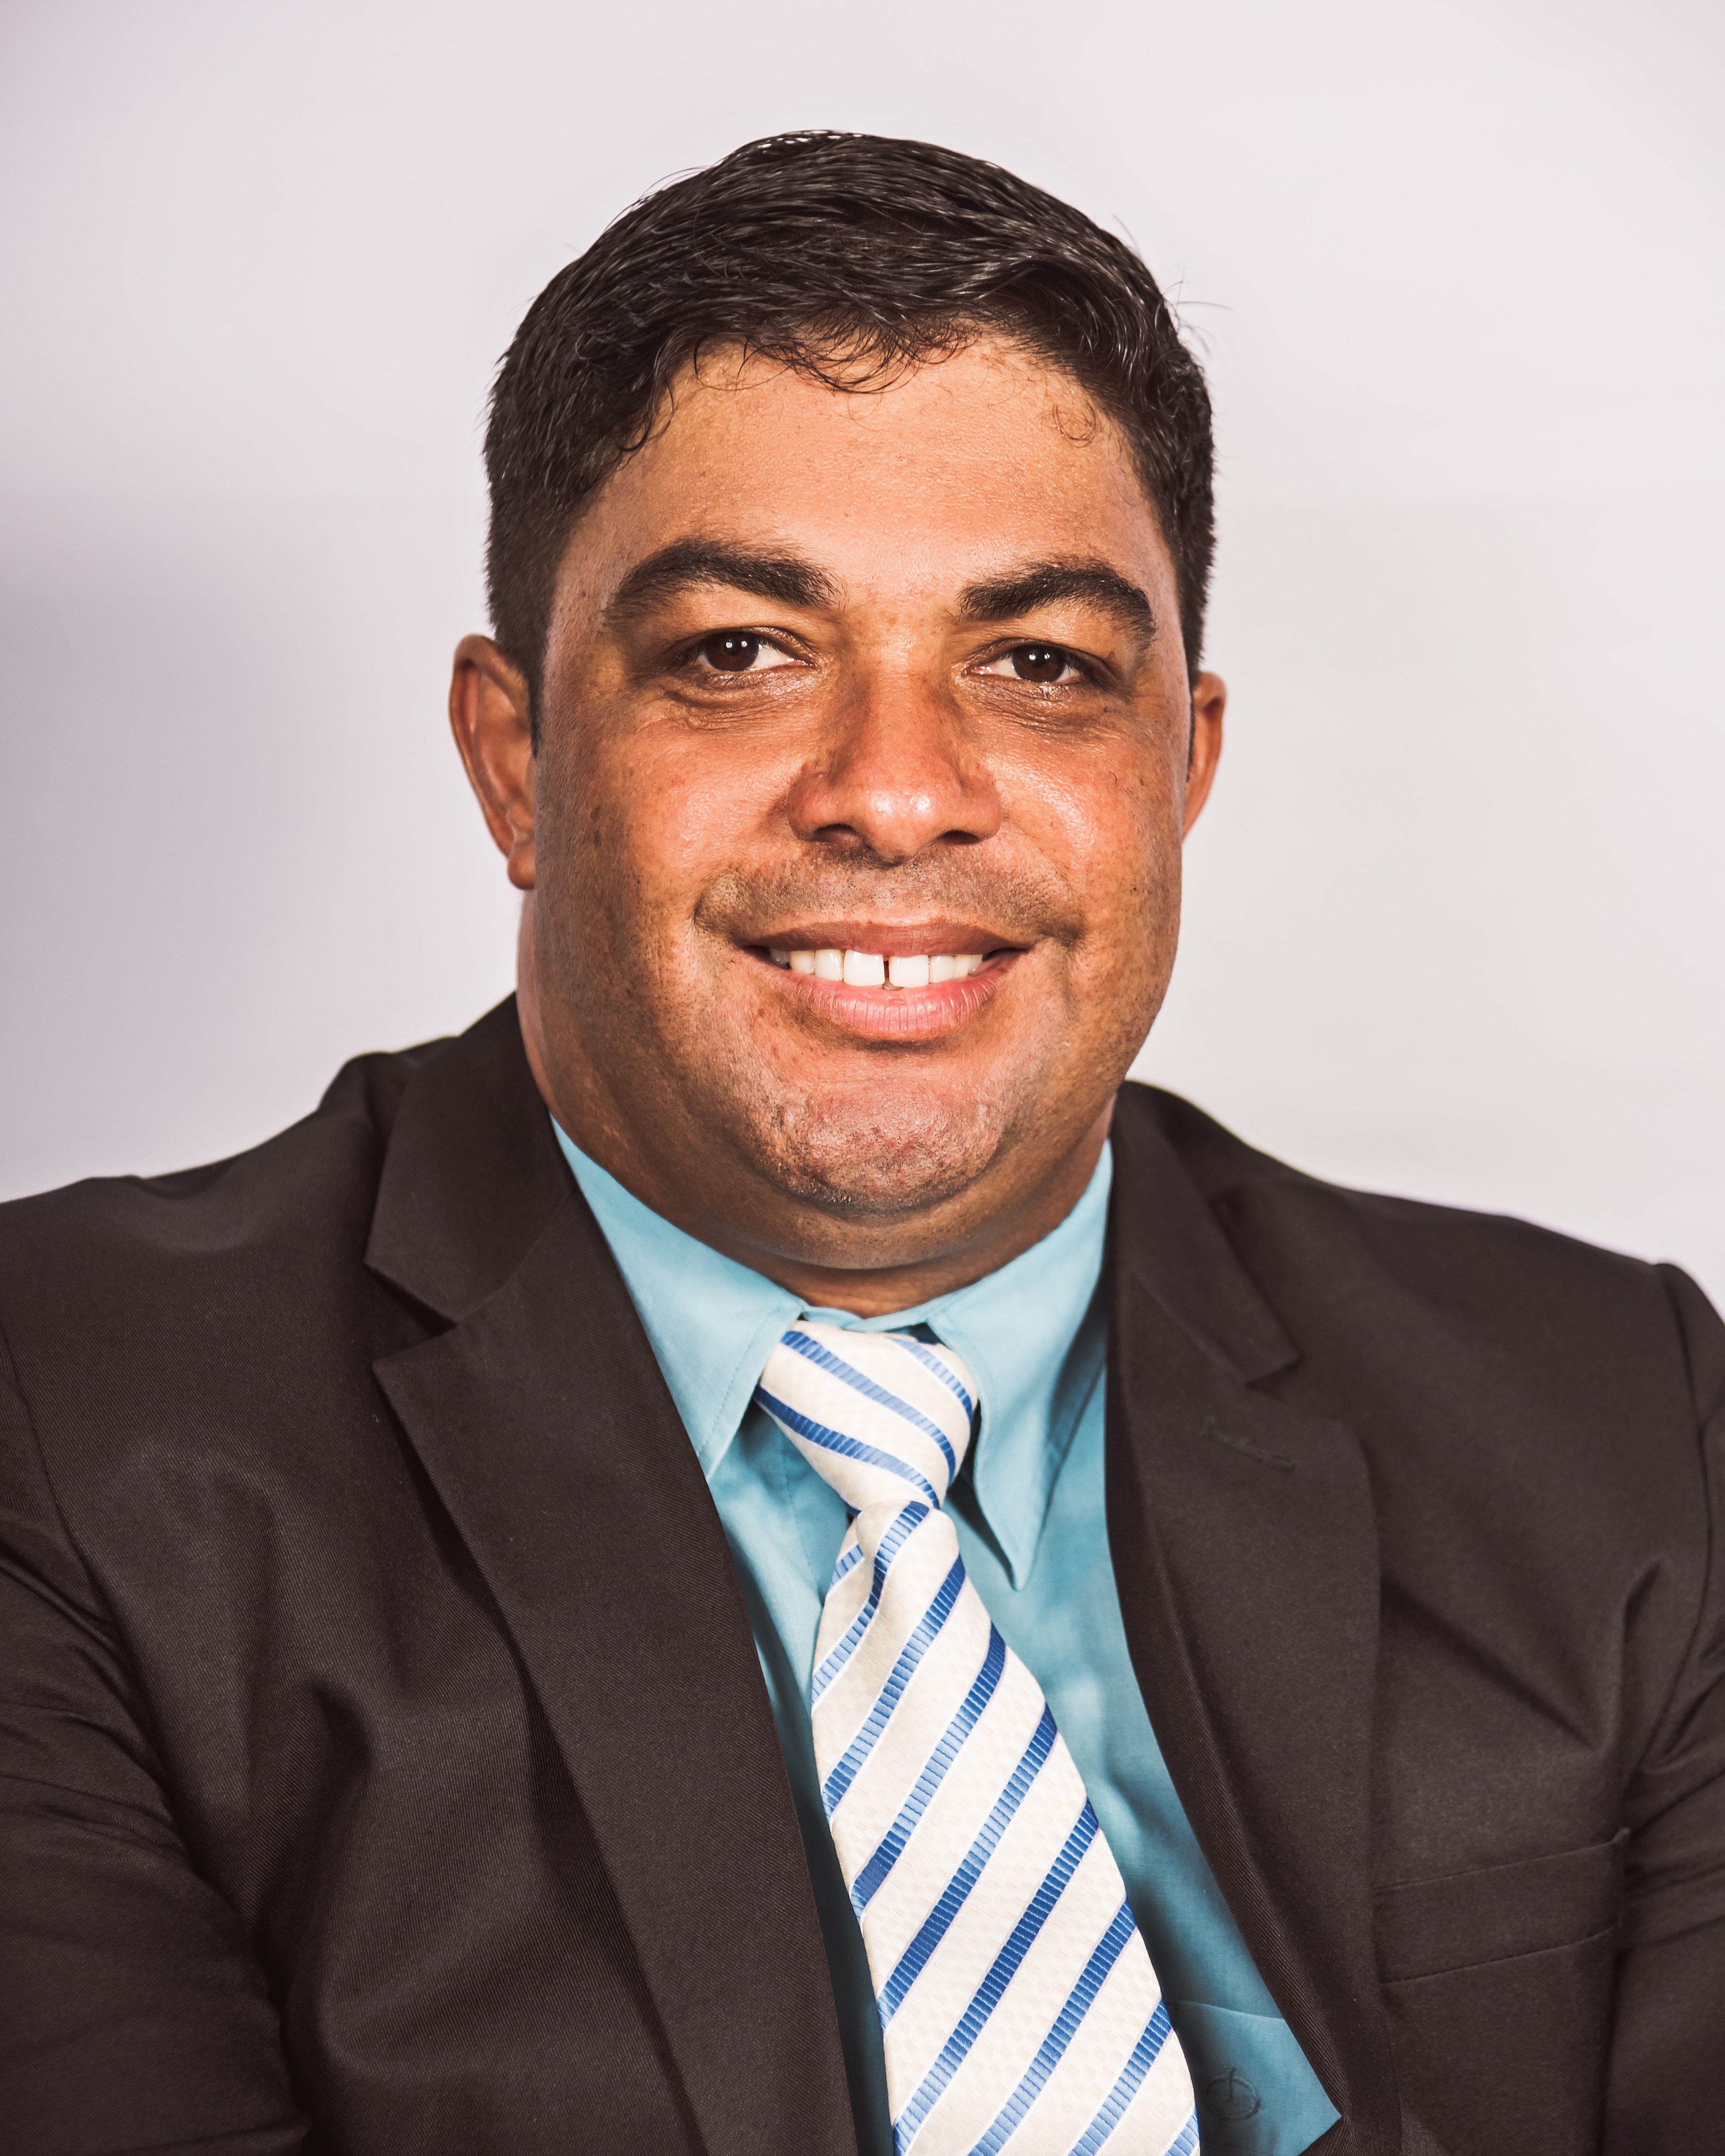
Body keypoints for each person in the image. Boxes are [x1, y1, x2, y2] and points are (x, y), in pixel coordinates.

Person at [0, 130, 1718, 2156]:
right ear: (516, 761)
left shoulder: (1627, 1425)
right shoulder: (68, 1430)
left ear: (1180, 768)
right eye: (739, 652)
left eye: (1040, 665)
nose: (896, 795)